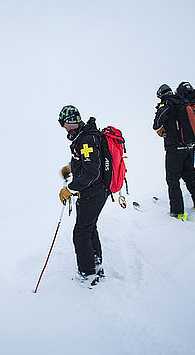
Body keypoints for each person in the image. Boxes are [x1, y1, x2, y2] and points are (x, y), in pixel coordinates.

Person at [58, 105, 107, 287]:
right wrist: (71, 168)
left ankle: (88, 274)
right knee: (89, 228)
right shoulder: (84, 136)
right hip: (94, 191)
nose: (63, 128)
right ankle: (95, 263)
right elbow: (87, 161)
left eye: (63, 124)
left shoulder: (86, 139)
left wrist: (70, 189)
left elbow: (91, 172)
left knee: (80, 233)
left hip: (92, 192)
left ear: (69, 122)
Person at [152, 83, 195, 219]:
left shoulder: (167, 103)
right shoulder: (183, 102)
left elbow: (157, 123)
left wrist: (160, 129)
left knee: (173, 179)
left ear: (160, 95)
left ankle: (177, 212)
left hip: (175, 147)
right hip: (189, 146)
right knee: (190, 176)